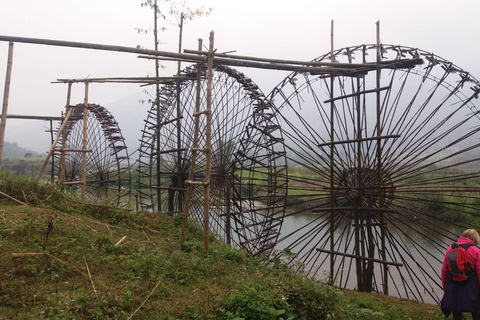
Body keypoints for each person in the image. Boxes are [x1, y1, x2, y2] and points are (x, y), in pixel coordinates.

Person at [441, 229, 480, 320]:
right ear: (475, 239)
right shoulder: (476, 251)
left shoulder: (451, 248)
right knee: (476, 311)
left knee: (456, 311)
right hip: (471, 287)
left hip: (454, 285)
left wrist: (446, 287)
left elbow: (444, 270)